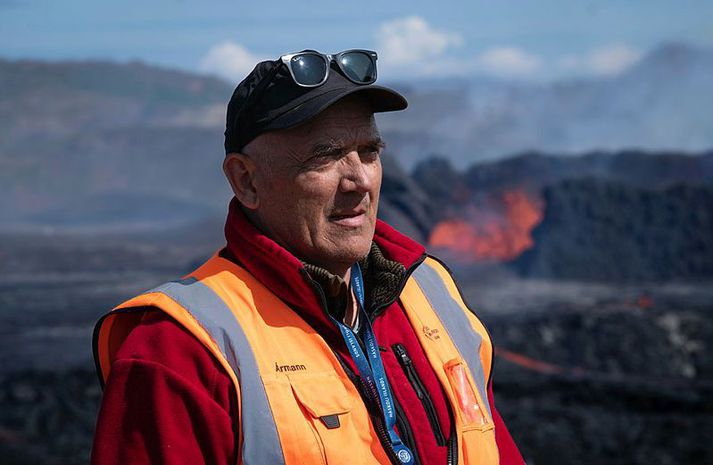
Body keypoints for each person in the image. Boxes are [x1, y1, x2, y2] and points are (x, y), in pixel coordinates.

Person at [91, 49, 525, 465]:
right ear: (246, 181)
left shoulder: (430, 290)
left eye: (369, 152)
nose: (358, 180)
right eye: (326, 155)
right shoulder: (179, 349)